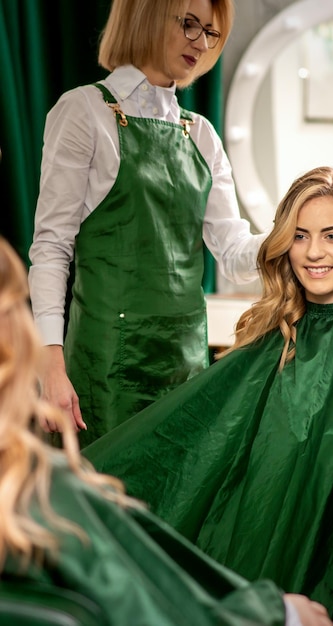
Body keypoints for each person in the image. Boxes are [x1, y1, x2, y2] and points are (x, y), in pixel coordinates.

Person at [83, 166, 333, 626]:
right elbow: (196, 439)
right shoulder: (269, 335)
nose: (313, 252)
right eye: (299, 236)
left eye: (332, 236)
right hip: (255, 541)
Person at [0, 235, 333, 626]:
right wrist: (280, 613)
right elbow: (147, 612)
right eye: (19, 307)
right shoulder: (40, 490)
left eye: (331, 235)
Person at [28, 0, 265, 447]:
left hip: (184, 366)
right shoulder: (84, 111)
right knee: (105, 508)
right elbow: (51, 248)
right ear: (147, 15)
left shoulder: (201, 134)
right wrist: (51, 367)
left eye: (210, 33)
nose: (200, 42)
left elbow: (233, 254)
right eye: (189, 24)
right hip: (105, 367)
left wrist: (298, 231)